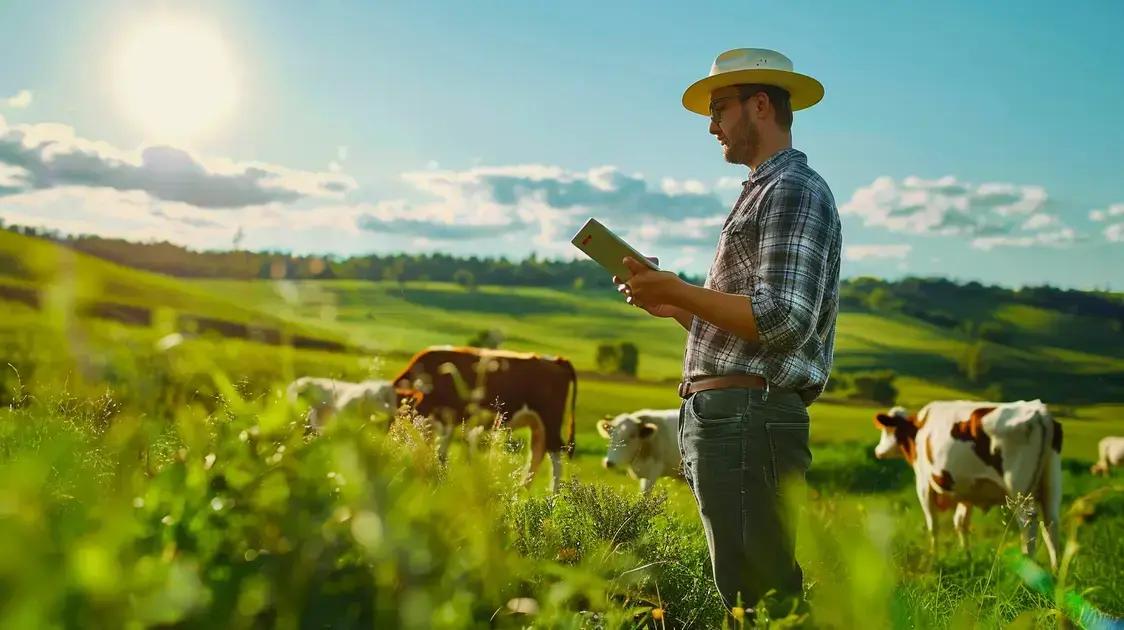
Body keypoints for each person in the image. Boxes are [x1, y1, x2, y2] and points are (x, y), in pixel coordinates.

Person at [614, 47, 841, 618]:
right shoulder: (764, 189)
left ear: (759, 105)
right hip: (733, 414)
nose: (711, 125)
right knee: (747, 588)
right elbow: (751, 329)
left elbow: (785, 319)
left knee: (760, 595)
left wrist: (680, 288)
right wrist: (671, 304)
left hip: (748, 416)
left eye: (720, 109)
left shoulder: (793, 188)